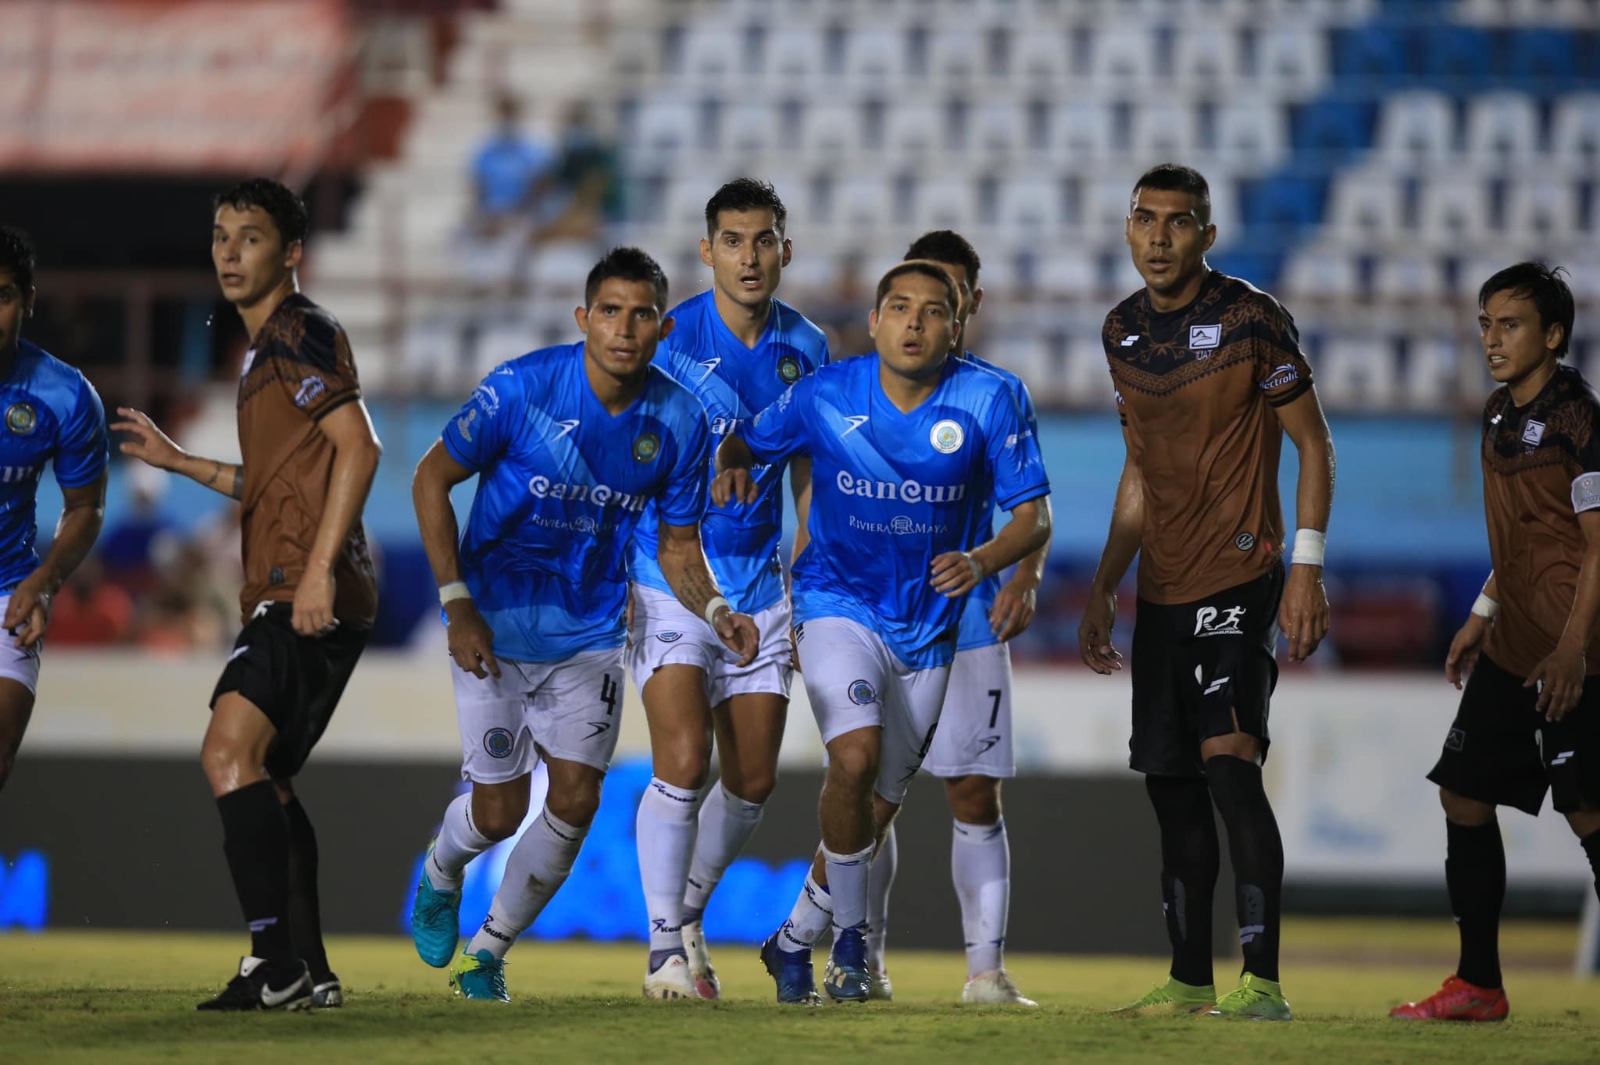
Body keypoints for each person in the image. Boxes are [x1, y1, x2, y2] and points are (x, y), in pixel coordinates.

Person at [406, 247, 758, 1003]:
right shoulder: (522, 388)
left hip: (592, 634)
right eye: (609, 312)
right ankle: (442, 870)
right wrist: (454, 599)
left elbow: (677, 547)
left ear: (664, 329)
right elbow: (430, 477)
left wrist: (720, 610)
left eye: (640, 315)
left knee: (574, 798)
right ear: (583, 319)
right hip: (493, 625)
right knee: (498, 808)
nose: (623, 329)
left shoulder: (680, 421)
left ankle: (487, 951)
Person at [717, 262, 1052, 1004]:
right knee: (856, 754)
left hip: (929, 629)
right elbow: (747, 441)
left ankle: (792, 937)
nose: (913, 322)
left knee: (876, 802)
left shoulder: (990, 397)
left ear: (955, 327)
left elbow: (1036, 517)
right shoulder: (828, 393)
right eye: (898, 307)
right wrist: (734, 465)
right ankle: (850, 946)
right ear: (873, 321)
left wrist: (985, 559)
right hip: (836, 602)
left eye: (933, 311)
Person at [113, 179, 383, 1012]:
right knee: (264, 776)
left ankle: (274, 963)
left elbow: (361, 448)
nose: (229, 251)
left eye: (251, 236)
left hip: (303, 585)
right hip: (301, 581)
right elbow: (274, 480)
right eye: (221, 235)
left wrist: (313, 573)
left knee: (225, 752)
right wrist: (180, 462)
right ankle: (311, 969)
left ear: (292, 252)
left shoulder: (300, 331)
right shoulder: (265, 353)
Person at [1078, 164, 1335, 1021]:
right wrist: (1107, 580)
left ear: (1207, 235)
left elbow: (1313, 444)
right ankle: (1191, 980)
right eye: (1145, 220)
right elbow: (1140, 470)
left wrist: (1305, 566)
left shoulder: (1250, 318)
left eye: (1178, 222)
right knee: (1172, 781)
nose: (1159, 237)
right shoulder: (1119, 332)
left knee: (1230, 761)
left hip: (1243, 569)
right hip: (1162, 587)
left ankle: (1261, 981)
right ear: (1126, 229)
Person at [626, 179, 828, 999]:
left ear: (787, 248)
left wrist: (808, 573)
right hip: (670, 569)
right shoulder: (667, 340)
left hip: (760, 578)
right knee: (683, 756)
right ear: (706, 251)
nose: (750, 255)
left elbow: (811, 472)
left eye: (764, 239)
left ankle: (689, 915)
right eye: (733, 240)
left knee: (751, 784)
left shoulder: (808, 345)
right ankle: (661, 949)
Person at [1392, 264, 1600, 1022]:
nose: (1491, 338)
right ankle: (1478, 982)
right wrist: (1482, 611)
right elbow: (1521, 535)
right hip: (1513, 647)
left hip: (1577, 652)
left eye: (1509, 324)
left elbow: (1596, 544)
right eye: (1484, 322)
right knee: (1465, 794)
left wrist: (1575, 645)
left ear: (1552, 334)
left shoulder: (1580, 419)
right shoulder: (1495, 415)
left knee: (1587, 810)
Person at [858, 231, 1048, 1006]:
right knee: (869, 791)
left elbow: (1032, 508)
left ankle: (985, 970)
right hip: (874, 617)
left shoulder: (995, 393)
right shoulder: (859, 389)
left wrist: (1022, 576)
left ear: (968, 307)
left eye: (949, 298)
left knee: (972, 791)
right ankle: (860, 958)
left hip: (964, 622)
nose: (928, 317)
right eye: (914, 299)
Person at [0, 225, 109, 790]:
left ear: (29, 300)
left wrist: (44, 581)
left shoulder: (64, 396)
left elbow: (85, 507)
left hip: (9, 595)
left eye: (3, 296)